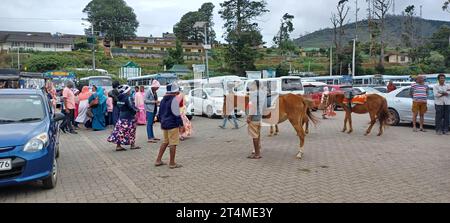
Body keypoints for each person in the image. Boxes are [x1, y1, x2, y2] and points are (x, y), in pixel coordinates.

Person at [155, 83, 184, 169]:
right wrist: (181, 124)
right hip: (172, 124)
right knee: (173, 143)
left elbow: (159, 113)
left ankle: (158, 160)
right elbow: (176, 114)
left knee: (165, 141)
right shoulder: (174, 100)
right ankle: (172, 163)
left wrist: (161, 122)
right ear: (175, 92)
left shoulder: (163, 99)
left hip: (164, 124)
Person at [108, 85, 141, 151]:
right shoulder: (128, 97)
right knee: (131, 131)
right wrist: (137, 110)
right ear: (127, 91)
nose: (130, 91)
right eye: (129, 90)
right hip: (129, 117)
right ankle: (132, 145)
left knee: (120, 131)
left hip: (121, 116)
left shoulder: (118, 98)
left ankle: (118, 146)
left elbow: (118, 105)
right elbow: (131, 106)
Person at [246, 80, 266, 159]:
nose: (251, 86)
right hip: (259, 116)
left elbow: (253, 106)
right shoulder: (263, 93)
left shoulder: (254, 94)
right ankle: (258, 152)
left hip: (254, 117)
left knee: (254, 136)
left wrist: (249, 117)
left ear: (255, 85)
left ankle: (257, 154)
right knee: (257, 135)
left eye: (252, 85)